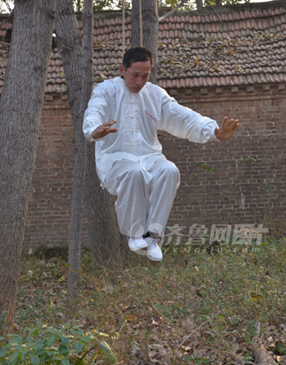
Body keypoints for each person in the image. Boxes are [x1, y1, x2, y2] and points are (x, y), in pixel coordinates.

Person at [82, 47, 239, 262]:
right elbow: (94, 110)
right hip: (114, 157)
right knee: (134, 173)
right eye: (135, 75)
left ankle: (152, 236)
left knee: (169, 171)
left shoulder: (155, 95)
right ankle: (136, 233)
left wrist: (213, 131)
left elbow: (183, 116)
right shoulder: (106, 90)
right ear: (122, 70)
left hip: (149, 156)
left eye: (145, 76)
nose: (139, 81)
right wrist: (93, 130)